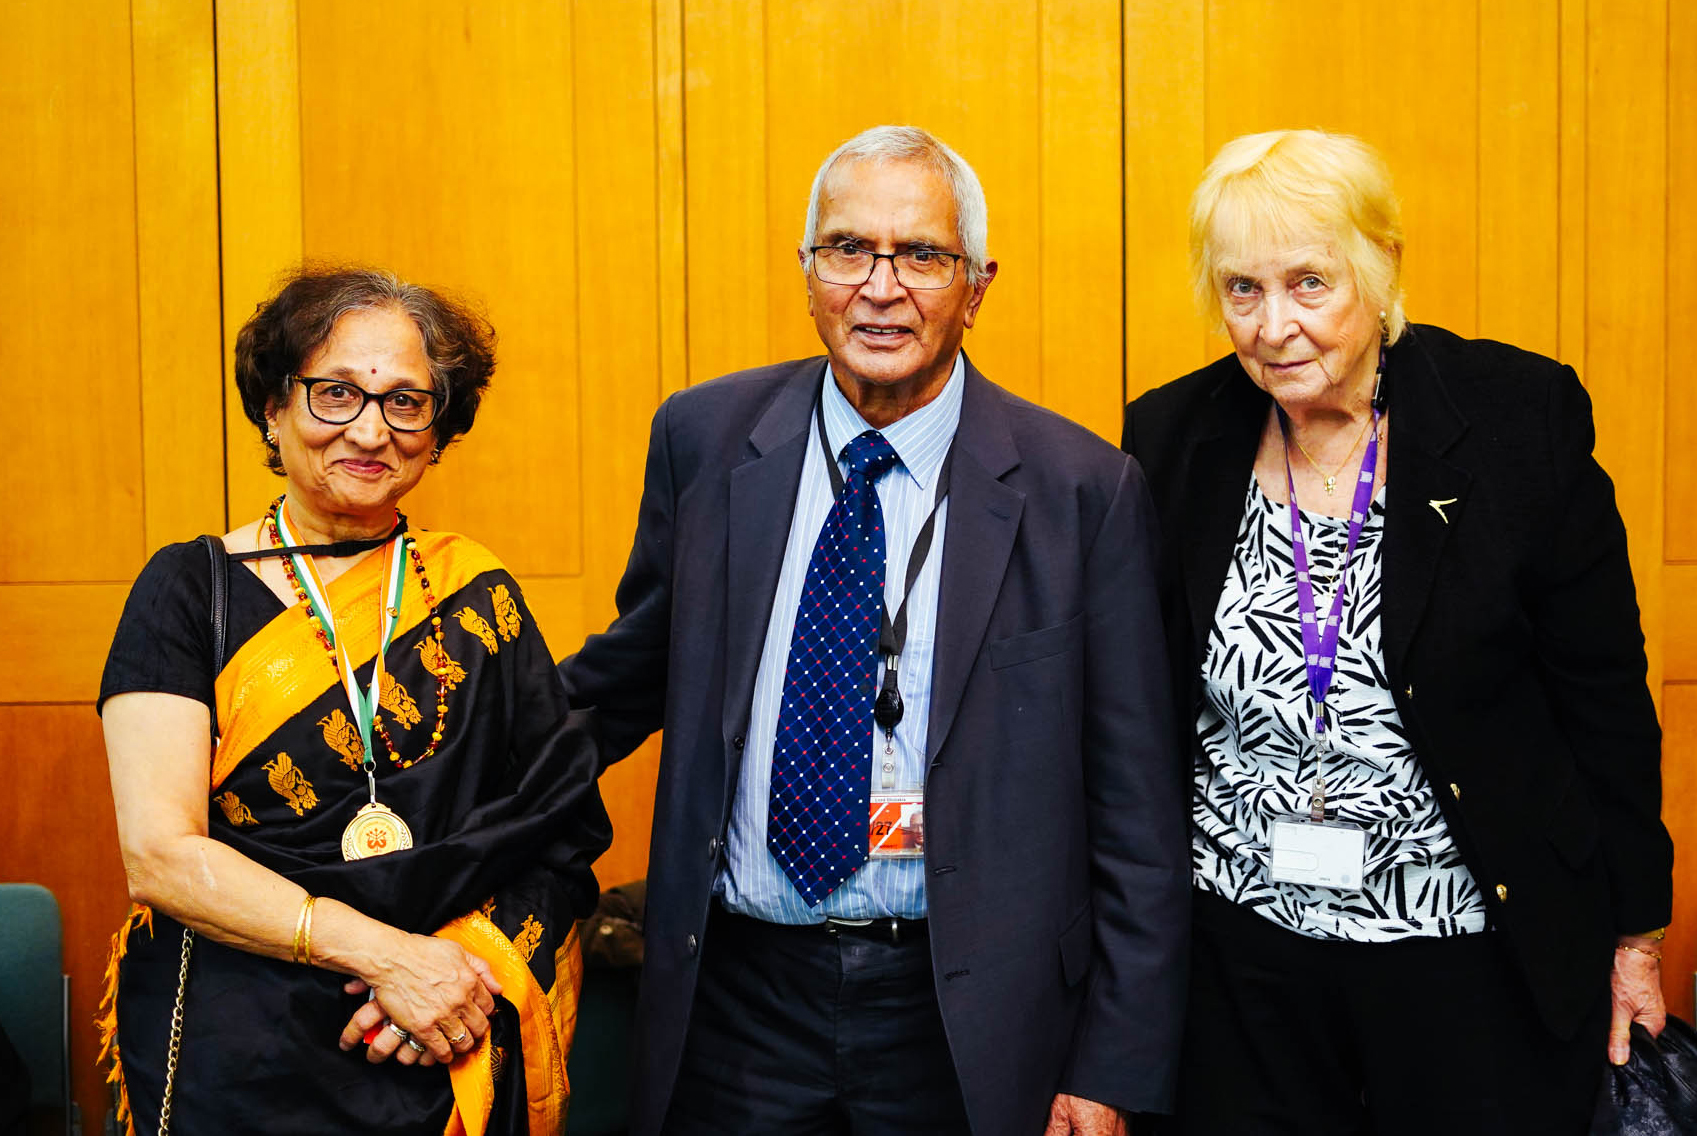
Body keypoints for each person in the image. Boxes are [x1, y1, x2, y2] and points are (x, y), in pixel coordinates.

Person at [561, 125, 1188, 1136]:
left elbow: (1136, 811)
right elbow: (622, 678)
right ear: (808, 274)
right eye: (848, 249)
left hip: (963, 1010)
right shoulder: (705, 440)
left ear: (976, 286)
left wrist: (1110, 1062)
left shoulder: (1083, 491)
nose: (880, 286)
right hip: (739, 1000)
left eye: (921, 256)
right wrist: (432, 780)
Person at [1121, 129, 1673, 1134]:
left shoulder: (1514, 420)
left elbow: (1601, 692)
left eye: (1307, 283)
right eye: (1241, 289)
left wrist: (1633, 931)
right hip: (1242, 956)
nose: (1273, 325)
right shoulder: (1170, 437)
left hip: (1463, 947)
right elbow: (1141, 709)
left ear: (1379, 270)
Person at [97, 267, 612, 1135]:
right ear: (273, 406)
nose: (371, 430)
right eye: (335, 394)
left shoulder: (476, 593)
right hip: (243, 1047)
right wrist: (386, 957)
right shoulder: (189, 590)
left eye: (407, 402)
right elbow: (160, 855)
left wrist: (452, 978)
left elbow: (558, 836)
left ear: (438, 429)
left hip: (443, 1038)